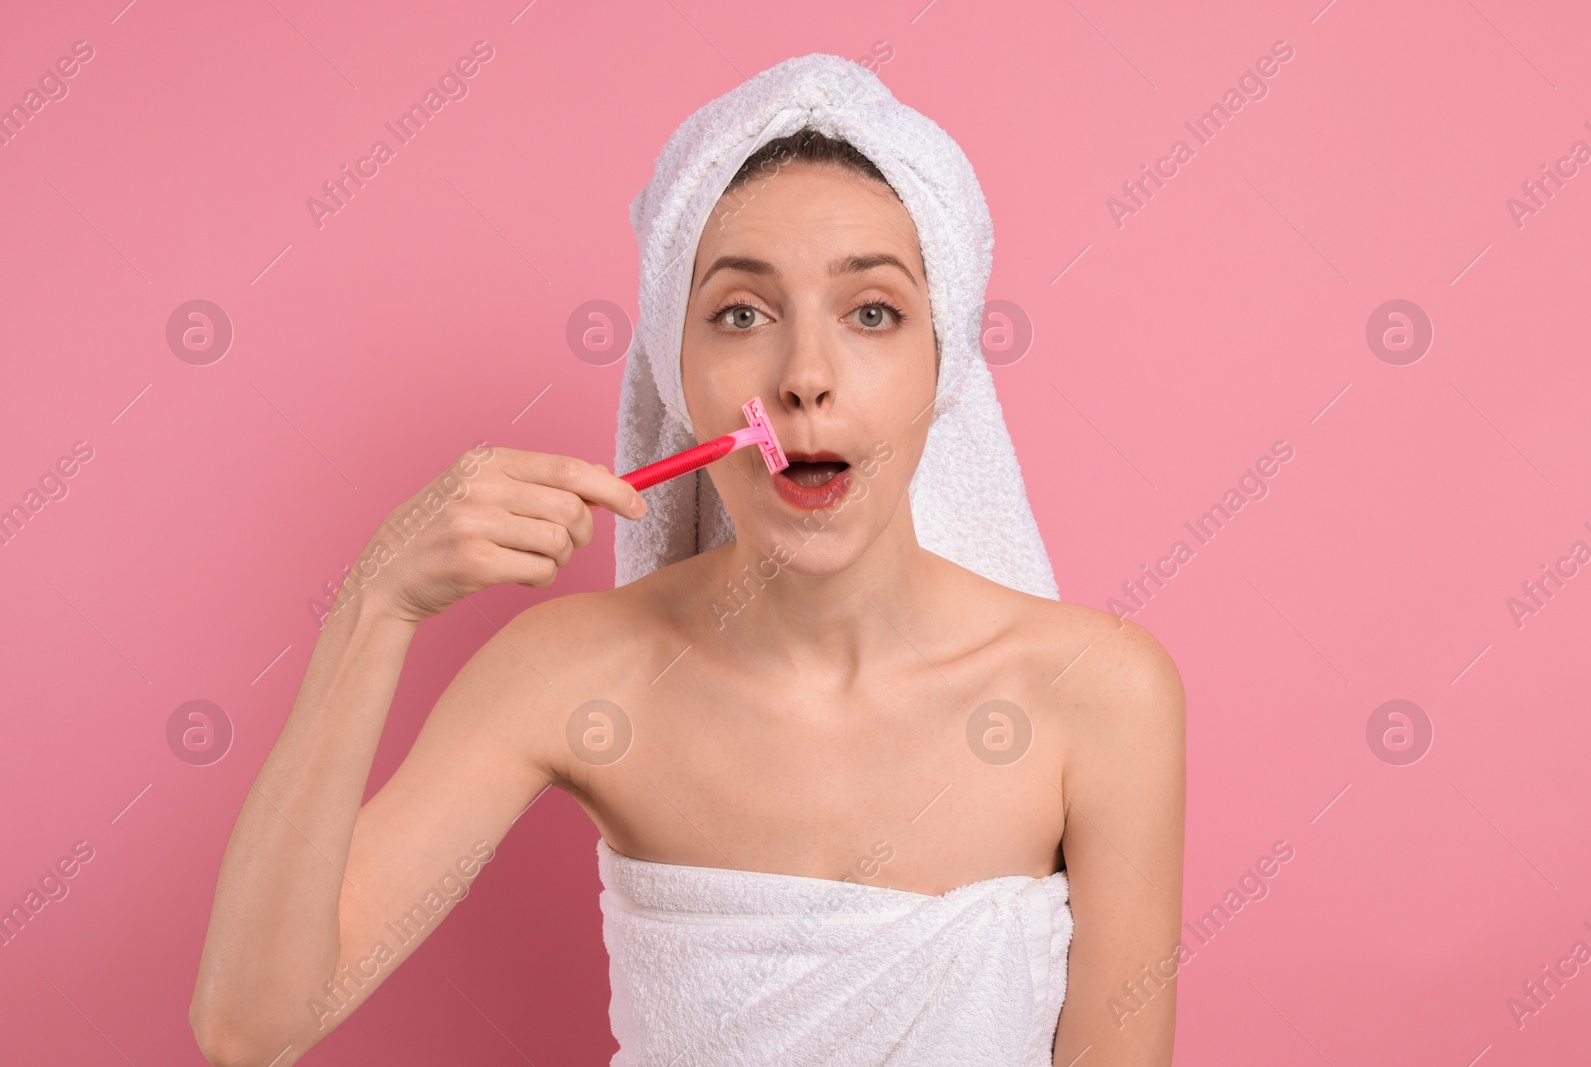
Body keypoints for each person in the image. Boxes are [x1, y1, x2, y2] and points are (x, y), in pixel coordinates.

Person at [190, 55, 1183, 1067]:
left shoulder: (1098, 693)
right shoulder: (571, 673)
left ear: (946, 362)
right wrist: (373, 606)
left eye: (871, 311)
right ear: (677, 369)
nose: (803, 376)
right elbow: (251, 1023)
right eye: (741, 313)